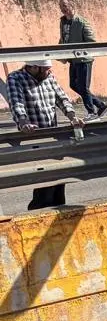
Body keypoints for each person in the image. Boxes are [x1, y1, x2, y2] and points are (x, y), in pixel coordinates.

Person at [8, 55, 82, 207]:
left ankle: (58, 222)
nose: (49, 72)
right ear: (34, 67)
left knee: (59, 187)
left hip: (53, 138)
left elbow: (62, 99)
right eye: (46, 69)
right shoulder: (16, 78)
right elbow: (17, 103)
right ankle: (36, 217)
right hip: (35, 139)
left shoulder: (49, 77)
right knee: (45, 190)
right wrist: (23, 122)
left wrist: (72, 117)